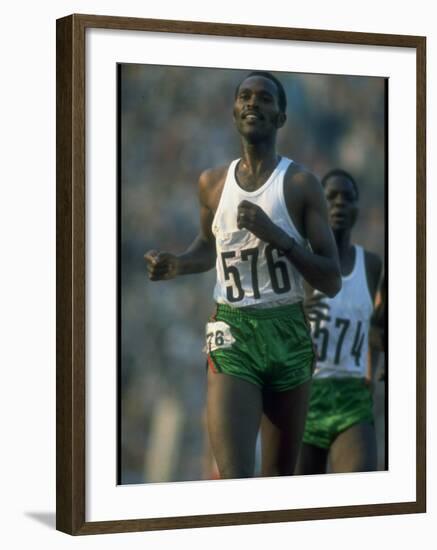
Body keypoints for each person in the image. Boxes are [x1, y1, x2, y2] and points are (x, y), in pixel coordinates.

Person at [144, 71, 341, 479]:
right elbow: (207, 247)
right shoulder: (211, 184)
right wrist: (179, 264)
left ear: (282, 117)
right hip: (233, 330)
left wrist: (278, 237)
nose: (253, 103)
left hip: (288, 329)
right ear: (234, 112)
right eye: (245, 97)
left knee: (278, 484)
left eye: (265, 98)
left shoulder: (301, 185)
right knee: (235, 480)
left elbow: (330, 278)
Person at [296, 169, 383, 475]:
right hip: (304, 398)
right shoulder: (300, 262)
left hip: (352, 399)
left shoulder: (372, 266)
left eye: (349, 197)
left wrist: (376, 368)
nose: (340, 204)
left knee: (359, 494)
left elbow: (380, 326)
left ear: (359, 207)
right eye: (331, 197)